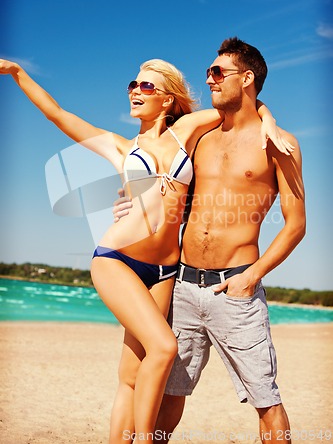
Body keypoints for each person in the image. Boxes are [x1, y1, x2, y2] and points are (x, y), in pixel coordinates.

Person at [0, 55, 292, 444]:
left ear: (168, 99)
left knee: (132, 375)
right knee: (164, 347)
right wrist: (18, 73)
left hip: (167, 272)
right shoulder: (121, 148)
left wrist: (269, 119)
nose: (136, 91)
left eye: (147, 86)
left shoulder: (187, 131)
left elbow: (241, 102)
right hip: (119, 259)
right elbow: (57, 114)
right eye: (133, 85)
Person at [113, 38, 306, 444]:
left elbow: (295, 225)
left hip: (235, 289)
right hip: (183, 285)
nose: (210, 80)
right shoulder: (201, 136)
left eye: (218, 72)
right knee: (168, 394)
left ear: (247, 78)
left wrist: (251, 276)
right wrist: (134, 208)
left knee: (265, 400)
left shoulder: (278, 143)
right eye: (209, 72)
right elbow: (171, 195)